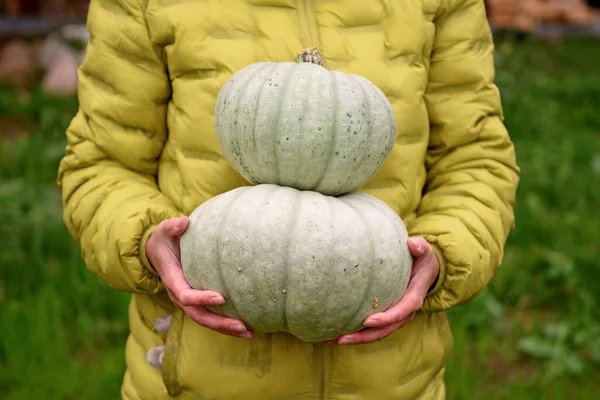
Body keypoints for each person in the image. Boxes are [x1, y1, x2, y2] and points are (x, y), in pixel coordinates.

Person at [57, 0, 520, 399]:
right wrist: (145, 241)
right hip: (198, 376)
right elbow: (102, 162)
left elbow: (476, 159)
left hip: (390, 379)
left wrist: (442, 255)